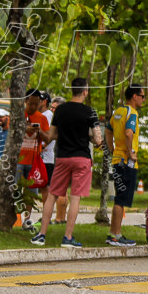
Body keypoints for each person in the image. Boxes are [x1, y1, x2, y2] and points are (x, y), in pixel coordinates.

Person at [31, 76, 102, 248]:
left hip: (62, 157)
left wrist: (40, 134)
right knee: (75, 197)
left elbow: (51, 135)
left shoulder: (60, 111)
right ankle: (68, 237)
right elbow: (98, 139)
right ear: (85, 91)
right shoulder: (90, 112)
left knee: (52, 195)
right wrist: (90, 138)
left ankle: (41, 235)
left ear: (72, 90)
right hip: (82, 158)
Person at [106, 85, 145, 247]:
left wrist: (112, 149)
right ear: (134, 96)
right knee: (121, 199)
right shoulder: (132, 113)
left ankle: (115, 233)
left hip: (117, 159)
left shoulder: (118, 112)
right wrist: (130, 152)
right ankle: (115, 234)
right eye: (142, 96)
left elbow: (108, 131)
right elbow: (129, 133)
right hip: (126, 162)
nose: (143, 99)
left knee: (119, 198)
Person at [42, 93, 66, 224]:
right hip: (60, 155)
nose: (52, 110)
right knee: (61, 188)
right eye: (51, 108)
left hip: (58, 156)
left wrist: (43, 144)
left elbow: (51, 136)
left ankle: (58, 217)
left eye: (55, 108)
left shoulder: (59, 120)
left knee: (55, 188)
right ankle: (61, 218)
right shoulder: (64, 119)